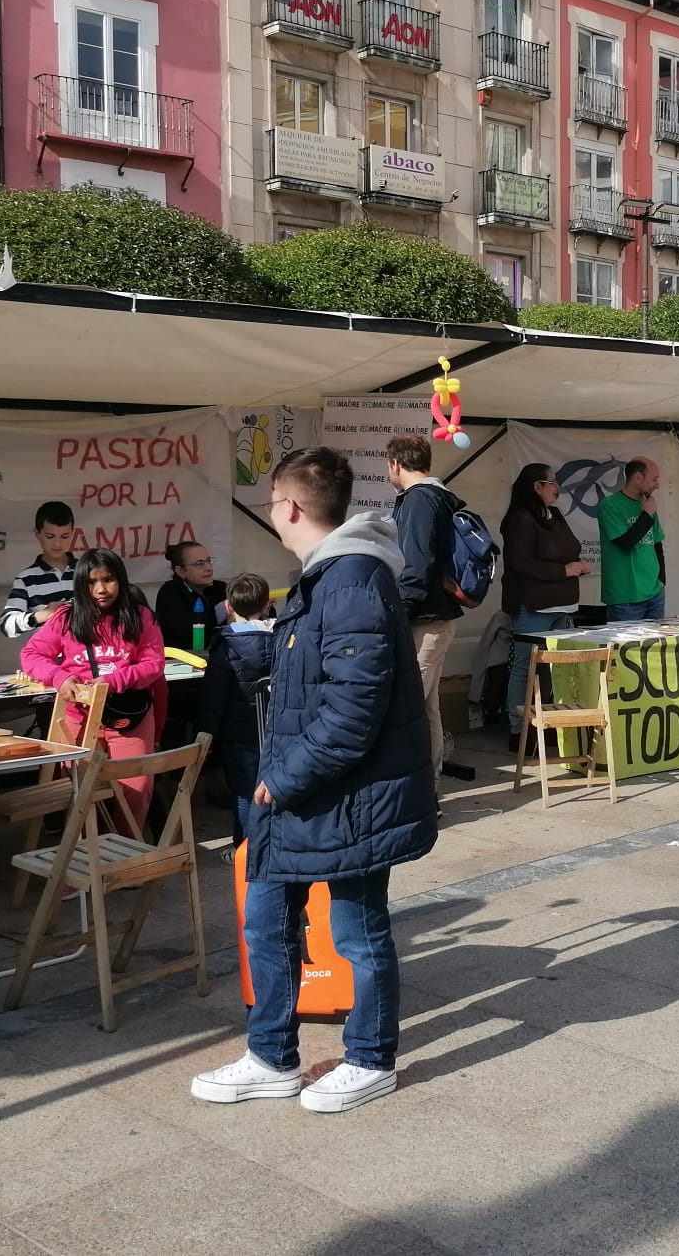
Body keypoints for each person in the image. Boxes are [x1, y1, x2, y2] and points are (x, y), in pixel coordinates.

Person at [192, 447, 436, 1113]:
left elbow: (353, 709)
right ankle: (270, 1055)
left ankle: (370, 1058)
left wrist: (282, 778)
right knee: (265, 920)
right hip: (301, 792)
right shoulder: (327, 576)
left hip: (343, 796)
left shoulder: (352, 578)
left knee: (357, 930)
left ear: (290, 507)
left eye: (272, 502)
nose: (273, 513)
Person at [20, 548, 167, 830]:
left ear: (121, 580)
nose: (101, 589)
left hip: (128, 717)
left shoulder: (142, 617)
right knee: (80, 793)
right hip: (78, 717)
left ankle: (125, 854)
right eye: (91, 582)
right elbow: (31, 655)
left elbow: (153, 665)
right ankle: (90, 858)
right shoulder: (65, 617)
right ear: (80, 584)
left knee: (136, 790)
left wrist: (115, 681)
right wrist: (60, 678)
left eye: (109, 580)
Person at [385, 434, 465, 777]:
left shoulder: (420, 500)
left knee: (411, 707)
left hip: (425, 619)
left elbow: (416, 565)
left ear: (396, 464)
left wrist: (398, 612)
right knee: (427, 706)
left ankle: (419, 791)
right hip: (436, 617)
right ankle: (427, 787)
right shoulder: (439, 496)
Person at [498, 463, 587, 738]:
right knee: (525, 667)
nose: (557, 489)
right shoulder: (520, 519)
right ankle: (518, 728)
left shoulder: (555, 515)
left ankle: (544, 721)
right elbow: (521, 563)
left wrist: (574, 564)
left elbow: (571, 546)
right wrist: (564, 569)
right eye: (553, 483)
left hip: (563, 605)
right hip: (533, 605)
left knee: (554, 666)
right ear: (537, 486)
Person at [198, 573, 277, 842]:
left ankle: (244, 848)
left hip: (240, 738)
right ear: (268, 605)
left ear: (229, 607)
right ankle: (278, 847)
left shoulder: (225, 647)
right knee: (280, 789)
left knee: (244, 794)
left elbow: (213, 699)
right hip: (280, 733)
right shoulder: (285, 639)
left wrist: (207, 735)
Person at [598, 456, 666, 621]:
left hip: (654, 593)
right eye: (654, 479)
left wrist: (662, 580)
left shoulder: (647, 505)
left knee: (656, 645)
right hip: (625, 596)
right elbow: (625, 543)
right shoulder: (610, 506)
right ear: (638, 477)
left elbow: (657, 543)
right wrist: (646, 515)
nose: (657, 485)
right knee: (626, 647)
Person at [0, 501, 77, 638]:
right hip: (47, 658)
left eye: (64, 536)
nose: (58, 544)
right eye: (50, 536)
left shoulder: (88, 572)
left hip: (86, 657)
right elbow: (6, 625)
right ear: (37, 533)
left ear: (73, 533)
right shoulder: (26, 579)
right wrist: (41, 615)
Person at [153, 541, 226, 655]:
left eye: (209, 561)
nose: (208, 568)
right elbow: (188, 631)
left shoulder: (220, 588)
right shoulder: (170, 592)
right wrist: (220, 611)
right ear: (181, 571)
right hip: (180, 661)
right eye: (200, 564)